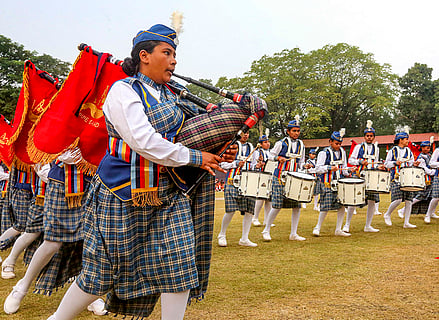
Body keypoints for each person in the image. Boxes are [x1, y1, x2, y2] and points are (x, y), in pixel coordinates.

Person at [45, 23, 240, 320]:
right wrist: (195, 157)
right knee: (104, 270)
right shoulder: (122, 91)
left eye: (175, 54)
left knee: (180, 265)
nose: (174, 60)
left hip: (168, 193)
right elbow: (143, 141)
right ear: (145, 56)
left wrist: (223, 148)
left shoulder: (174, 96)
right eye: (168, 52)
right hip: (122, 192)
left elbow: (194, 134)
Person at [4, 150, 107, 316]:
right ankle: (22, 287)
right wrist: (55, 158)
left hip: (94, 180)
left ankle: (89, 294)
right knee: (52, 242)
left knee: (89, 243)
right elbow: (40, 145)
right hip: (61, 181)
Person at [1, 163, 49, 280]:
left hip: (39, 192)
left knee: (47, 235)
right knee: (24, 227)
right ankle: (9, 262)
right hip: (26, 191)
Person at [261, 117, 306, 241]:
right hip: (280, 177)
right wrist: (277, 159)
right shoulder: (281, 143)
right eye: (294, 131)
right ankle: (266, 230)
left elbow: (301, 161)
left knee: (297, 206)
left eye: (298, 131)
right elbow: (270, 155)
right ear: (288, 131)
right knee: (277, 205)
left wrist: (305, 166)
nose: (296, 133)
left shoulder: (301, 145)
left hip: (294, 178)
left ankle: (293, 233)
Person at [217, 131, 257, 247]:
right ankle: (222, 235)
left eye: (248, 133)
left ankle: (244, 238)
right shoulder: (231, 146)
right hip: (232, 182)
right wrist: (235, 163)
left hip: (248, 183)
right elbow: (222, 164)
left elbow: (253, 165)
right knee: (230, 210)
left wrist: (257, 166)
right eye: (244, 133)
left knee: (249, 210)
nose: (246, 135)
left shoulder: (251, 147)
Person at [343, 120, 383, 233]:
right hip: (359, 175)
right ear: (364, 137)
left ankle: (368, 225)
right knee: (353, 199)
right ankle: (346, 224)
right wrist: (360, 162)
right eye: (367, 136)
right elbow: (351, 160)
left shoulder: (377, 148)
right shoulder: (358, 147)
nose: (369, 138)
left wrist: (378, 166)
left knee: (371, 201)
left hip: (372, 176)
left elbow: (375, 162)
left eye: (371, 136)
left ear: (374, 137)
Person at [312, 129, 352, 237]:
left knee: (342, 205)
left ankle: (338, 229)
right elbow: (318, 168)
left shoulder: (342, 152)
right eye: (336, 143)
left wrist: (348, 170)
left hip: (339, 182)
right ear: (330, 141)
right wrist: (329, 168)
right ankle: (317, 227)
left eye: (340, 144)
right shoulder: (323, 153)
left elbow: (343, 168)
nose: (338, 146)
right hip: (327, 182)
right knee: (325, 206)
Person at [383, 128, 419, 228]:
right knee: (398, 199)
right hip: (396, 177)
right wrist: (395, 163)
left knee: (409, 200)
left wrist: (415, 163)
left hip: (408, 178)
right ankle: (387, 214)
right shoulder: (392, 151)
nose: (408, 141)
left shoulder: (409, 151)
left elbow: (411, 162)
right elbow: (386, 164)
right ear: (401, 140)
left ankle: (406, 222)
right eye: (406, 139)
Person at [399, 139, 436, 218]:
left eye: (428, 148)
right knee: (420, 196)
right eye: (425, 148)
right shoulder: (421, 158)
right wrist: (433, 172)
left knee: (432, 196)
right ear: (422, 148)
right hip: (425, 179)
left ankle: (431, 212)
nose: (427, 149)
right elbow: (425, 169)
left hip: (430, 178)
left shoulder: (429, 156)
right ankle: (402, 209)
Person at [251, 134, 273, 227]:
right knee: (260, 198)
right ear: (260, 144)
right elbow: (253, 164)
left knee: (269, 199)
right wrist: (258, 165)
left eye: (268, 142)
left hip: (270, 176)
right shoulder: (257, 152)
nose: (267, 144)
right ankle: (255, 218)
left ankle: (267, 220)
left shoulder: (271, 152)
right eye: (265, 142)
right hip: (261, 175)